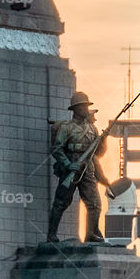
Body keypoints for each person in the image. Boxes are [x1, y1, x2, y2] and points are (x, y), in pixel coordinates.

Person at [47, 91, 115, 244]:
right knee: (61, 202)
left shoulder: (92, 129)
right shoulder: (67, 128)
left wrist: (103, 140)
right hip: (71, 169)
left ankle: (91, 234)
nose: (86, 109)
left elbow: (98, 153)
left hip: (87, 169)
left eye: (87, 106)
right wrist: (67, 164)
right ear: (76, 109)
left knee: (95, 203)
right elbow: (56, 149)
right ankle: (51, 235)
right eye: (84, 106)